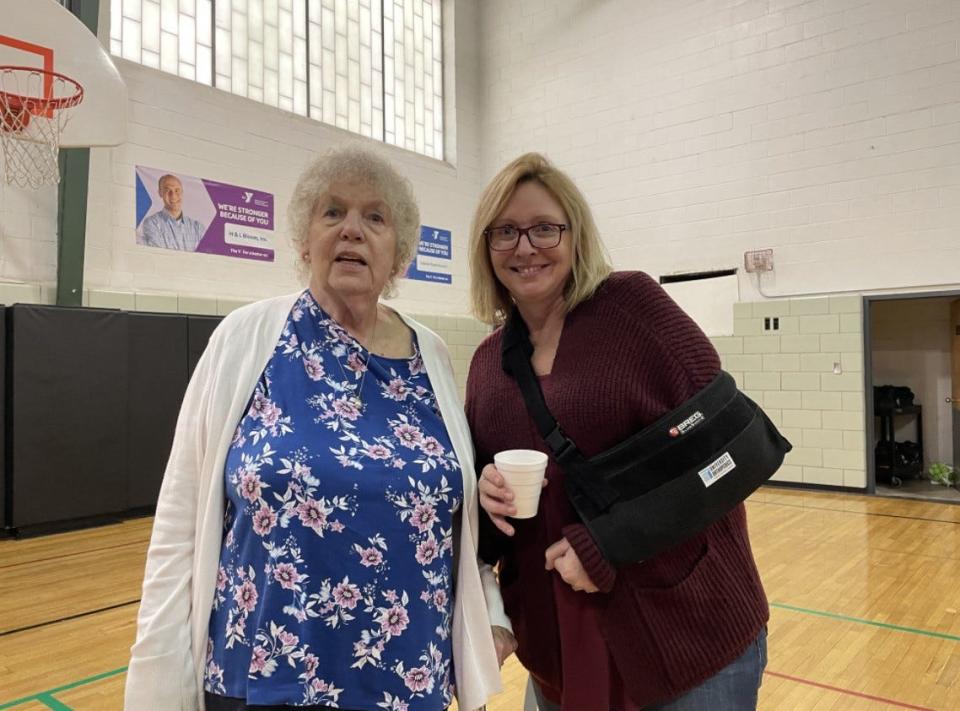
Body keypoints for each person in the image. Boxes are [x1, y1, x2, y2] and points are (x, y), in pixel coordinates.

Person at [125, 146, 514, 711]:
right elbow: (180, 523)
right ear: (305, 241)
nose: (352, 230)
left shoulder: (432, 357)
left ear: (400, 254)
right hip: (262, 681)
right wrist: (155, 680)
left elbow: (455, 519)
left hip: (407, 681)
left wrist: (489, 612)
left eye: (375, 217)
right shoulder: (245, 339)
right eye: (332, 213)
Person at [465, 153, 769, 711]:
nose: (524, 247)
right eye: (504, 231)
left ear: (575, 234)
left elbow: (741, 449)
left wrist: (610, 541)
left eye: (543, 228)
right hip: (558, 655)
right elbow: (483, 507)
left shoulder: (634, 308)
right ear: (485, 249)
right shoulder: (489, 364)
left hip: (689, 646)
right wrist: (484, 494)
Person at [140, 174, 207, 251]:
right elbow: (159, 254)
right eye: (168, 190)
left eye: (177, 190)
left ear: (182, 192)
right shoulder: (152, 223)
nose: (173, 195)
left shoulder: (197, 227)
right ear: (160, 193)